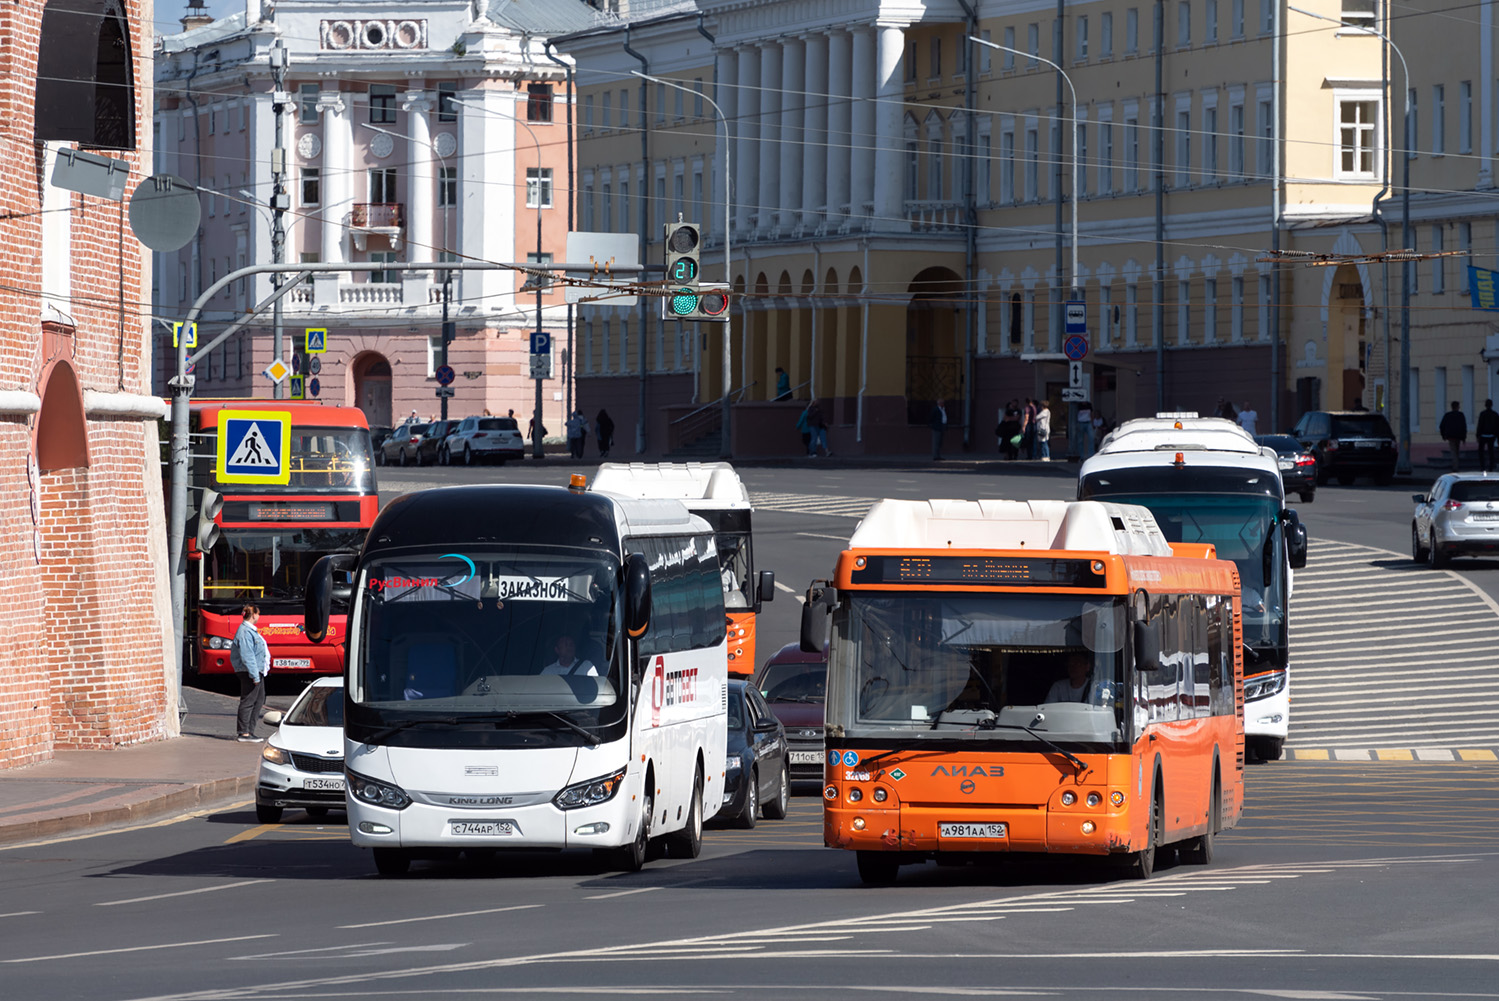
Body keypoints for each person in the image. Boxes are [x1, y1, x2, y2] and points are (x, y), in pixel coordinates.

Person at [230, 604, 270, 742]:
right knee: (248, 700)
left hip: (257, 670)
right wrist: (254, 675)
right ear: (253, 615)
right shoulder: (245, 632)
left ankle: (249, 731)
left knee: (258, 700)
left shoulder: (251, 631)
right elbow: (247, 655)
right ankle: (243, 733)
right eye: (258, 614)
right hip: (249, 671)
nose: (259, 617)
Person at [1440, 400, 1468, 471]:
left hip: (1450, 436)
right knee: (1456, 451)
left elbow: (1442, 426)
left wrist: (1443, 435)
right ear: (1457, 407)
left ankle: (1455, 466)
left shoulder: (1448, 415)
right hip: (1458, 436)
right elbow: (1464, 426)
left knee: (1453, 451)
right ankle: (1456, 466)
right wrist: (1464, 437)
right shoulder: (1461, 415)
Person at [1477, 400, 1499, 472]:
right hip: (1492, 435)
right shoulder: (1495, 414)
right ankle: (1491, 467)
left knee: (1481, 452)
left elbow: (1480, 425)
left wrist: (1478, 435)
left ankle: (1482, 467)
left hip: (1483, 435)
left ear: (1485, 405)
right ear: (1491, 405)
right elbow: (1497, 426)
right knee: (1491, 452)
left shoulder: (1482, 414)